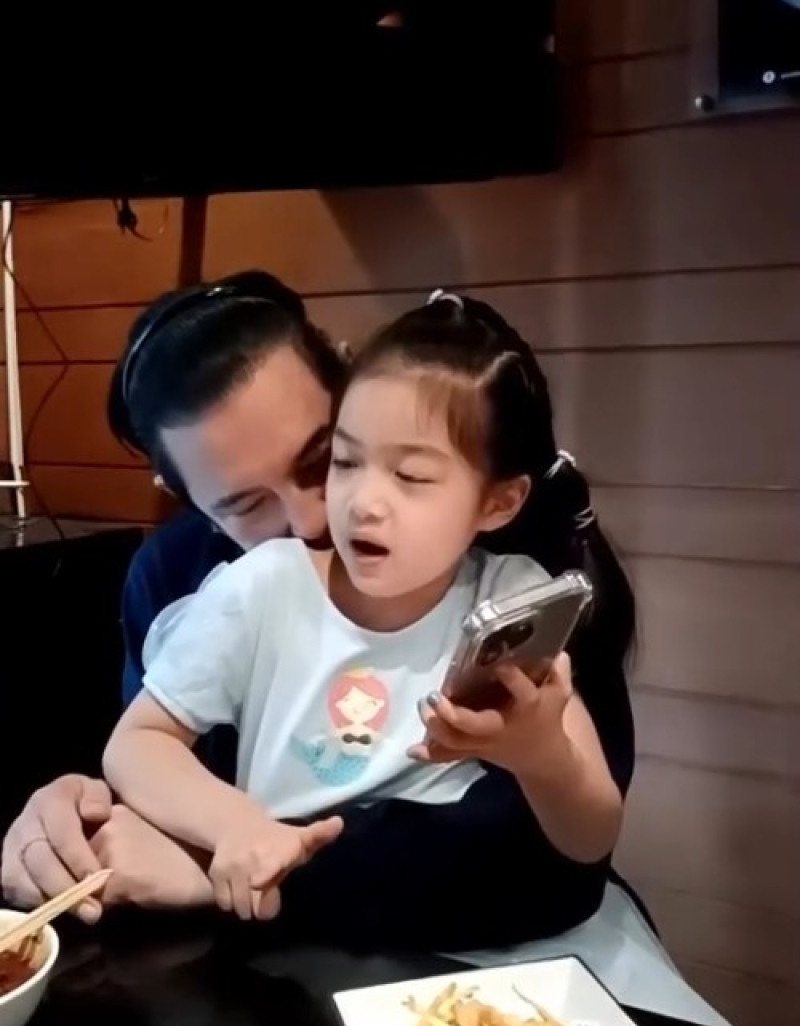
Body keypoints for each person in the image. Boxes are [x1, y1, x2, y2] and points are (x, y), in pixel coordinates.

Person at [1, 270, 636, 951]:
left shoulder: (513, 583)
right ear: (184, 496)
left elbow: (564, 861)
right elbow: (145, 757)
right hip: (270, 956)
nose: (324, 516)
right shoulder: (225, 584)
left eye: (317, 461)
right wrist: (88, 815)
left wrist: (544, 756)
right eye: (346, 464)